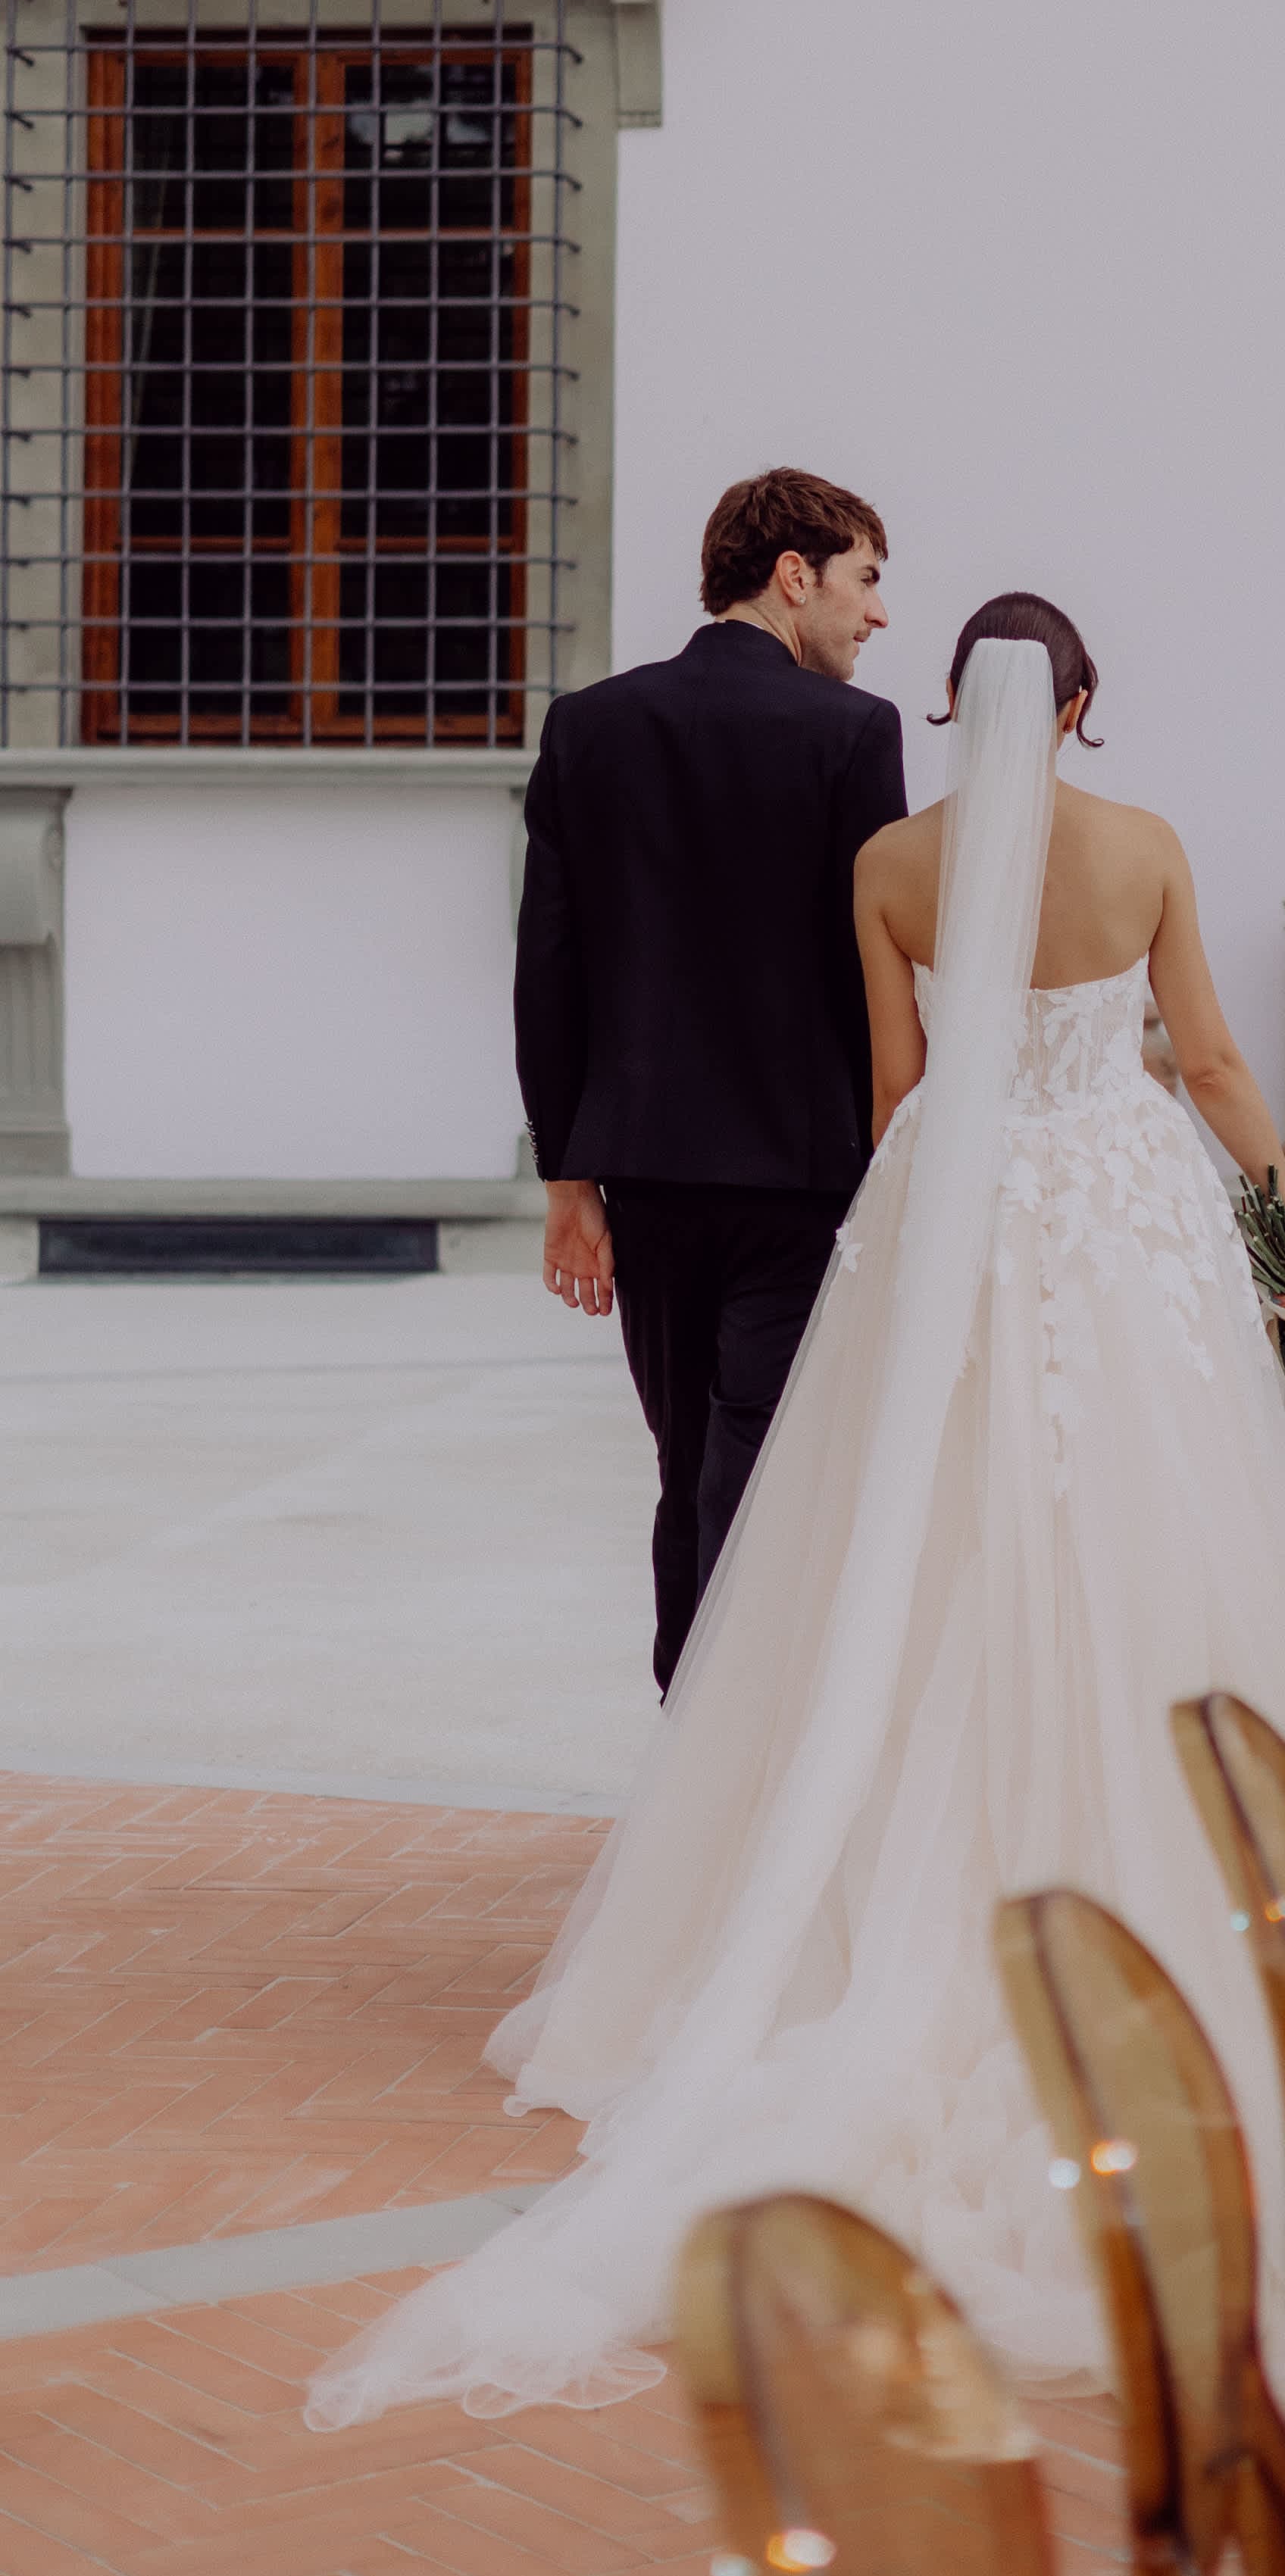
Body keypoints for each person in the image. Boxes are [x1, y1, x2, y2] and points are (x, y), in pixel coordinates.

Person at [307, 595, 1285, 2421]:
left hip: (955, 1224)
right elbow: (1205, 1062)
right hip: (1121, 1228)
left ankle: (871, 1888)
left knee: (922, 1547)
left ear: (954, 702)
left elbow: (902, 1093)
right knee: (1154, 1528)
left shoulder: (895, 860)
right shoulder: (1142, 849)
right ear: (1082, 708)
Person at [514, 469, 907, 1689]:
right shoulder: (854, 734)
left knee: (690, 1464)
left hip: (645, 1177)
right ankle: (724, 1761)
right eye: (866, 580)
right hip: (800, 1177)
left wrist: (567, 1178)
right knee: (759, 1467)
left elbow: (549, 969)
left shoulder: (592, 725)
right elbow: (871, 976)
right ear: (794, 575)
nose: (877, 615)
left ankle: (691, 1729)